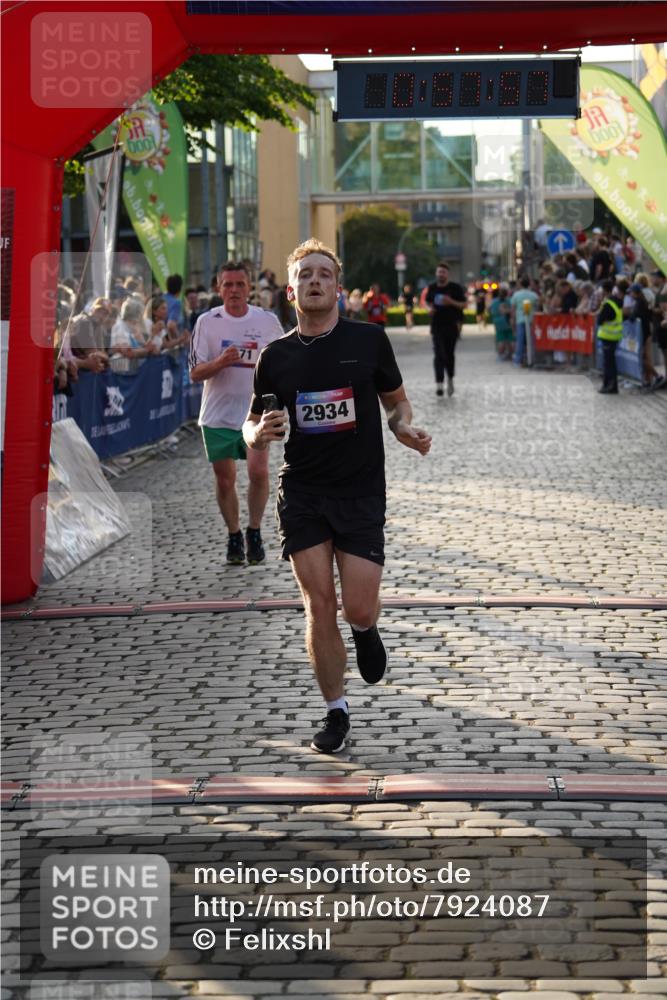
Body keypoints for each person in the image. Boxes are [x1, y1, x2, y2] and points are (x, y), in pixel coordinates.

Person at [242, 239, 431, 754]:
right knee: (318, 603)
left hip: (361, 491)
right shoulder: (274, 357)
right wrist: (257, 437)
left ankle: (367, 632)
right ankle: (336, 711)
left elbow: (397, 402)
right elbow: (252, 422)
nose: (315, 281)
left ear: (339, 288)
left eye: (324, 274)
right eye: (306, 275)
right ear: (291, 289)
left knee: (358, 607)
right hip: (301, 491)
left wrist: (403, 428)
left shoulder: (369, 341)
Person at [189, 261, 283, 565]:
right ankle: (233, 534)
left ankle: (254, 530)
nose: (234, 290)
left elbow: (285, 362)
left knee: (258, 473)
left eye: (240, 284)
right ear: (218, 289)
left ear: (249, 288)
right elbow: (195, 372)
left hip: (255, 414)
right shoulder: (207, 322)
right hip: (217, 414)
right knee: (226, 479)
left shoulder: (267, 321)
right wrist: (219, 362)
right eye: (227, 285)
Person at [425, 262, 466, 396]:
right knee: (439, 354)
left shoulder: (455, 288)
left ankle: (450, 379)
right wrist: (429, 309)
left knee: (449, 355)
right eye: (439, 272)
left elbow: (464, 304)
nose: (440, 274)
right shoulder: (431, 288)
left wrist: (451, 302)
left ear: (447, 274)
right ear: (436, 273)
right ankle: (439, 384)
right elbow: (426, 302)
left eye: (443, 272)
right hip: (436, 326)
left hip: (452, 326)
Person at [596, 278, 624, 394]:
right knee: (610, 362)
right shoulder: (616, 301)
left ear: (604, 290)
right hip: (614, 336)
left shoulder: (608, 304)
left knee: (608, 363)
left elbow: (600, 320)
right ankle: (610, 385)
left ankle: (610, 386)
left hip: (608, 336)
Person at [510, 275, 539, 367]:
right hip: (531, 320)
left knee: (520, 341)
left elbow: (513, 309)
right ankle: (531, 358)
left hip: (520, 319)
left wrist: (512, 319)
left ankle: (518, 360)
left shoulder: (516, 295)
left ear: (520, 284)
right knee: (530, 341)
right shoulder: (533, 295)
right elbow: (537, 306)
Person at [488, 287, 513, 360]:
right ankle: (510, 354)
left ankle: (500, 355)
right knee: (511, 339)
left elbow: (489, 310)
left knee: (501, 339)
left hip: (498, 322)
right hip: (508, 322)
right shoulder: (510, 301)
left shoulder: (494, 301)